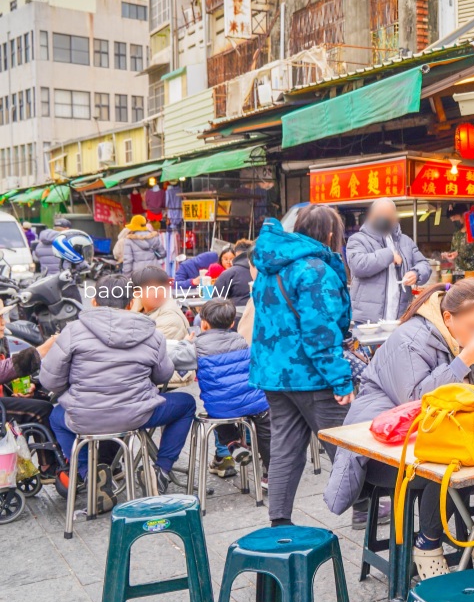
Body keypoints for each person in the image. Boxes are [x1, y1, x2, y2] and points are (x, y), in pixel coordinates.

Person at [324, 279, 474, 571]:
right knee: (447, 466)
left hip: (424, 437)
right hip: (382, 448)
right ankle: (428, 547)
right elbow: (419, 400)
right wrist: (463, 361)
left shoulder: (461, 339)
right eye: (473, 327)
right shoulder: (410, 340)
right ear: (448, 317)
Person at [42, 274, 197, 508]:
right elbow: (163, 375)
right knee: (186, 403)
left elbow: (50, 380)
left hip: (85, 416)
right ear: (130, 303)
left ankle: (88, 475)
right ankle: (161, 469)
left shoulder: (72, 331)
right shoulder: (152, 333)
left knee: (55, 416)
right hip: (138, 416)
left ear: (94, 302)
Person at [250, 206, 354, 528]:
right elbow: (320, 333)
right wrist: (341, 380)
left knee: (284, 447)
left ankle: (279, 520)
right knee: (347, 446)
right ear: (332, 235)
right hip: (312, 375)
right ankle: (366, 506)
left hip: (274, 374)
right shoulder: (314, 269)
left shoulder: (271, 266)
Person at [196, 299, 271, 487]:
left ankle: (232, 444)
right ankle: (271, 473)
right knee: (265, 426)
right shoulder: (241, 341)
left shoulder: (197, 346)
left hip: (221, 408)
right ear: (231, 323)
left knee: (219, 409)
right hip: (254, 402)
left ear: (203, 322)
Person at [345, 199, 432, 323]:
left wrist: (416, 273)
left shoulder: (405, 241)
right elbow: (358, 265)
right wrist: (389, 255)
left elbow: (424, 265)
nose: (384, 218)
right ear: (371, 216)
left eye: (388, 215)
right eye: (380, 214)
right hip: (368, 321)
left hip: (400, 317)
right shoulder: (358, 239)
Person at [132, 266, 190, 341]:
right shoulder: (142, 309)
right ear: (137, 293)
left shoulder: (171, 319)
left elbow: (146, 348)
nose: (157, 292)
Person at [213, 239, 255, 307]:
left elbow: (216, 304)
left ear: (235, 254)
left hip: (235, 315)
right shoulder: (265, 272)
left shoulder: (228, 274)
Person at [448, 203, 474, 274]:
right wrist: (449, 255)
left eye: (454, 217)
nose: (453, 221)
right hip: (458, 273)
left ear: (464, 215)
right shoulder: (456, 234)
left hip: (472, 273)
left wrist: (458, 254)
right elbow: (453, 250)